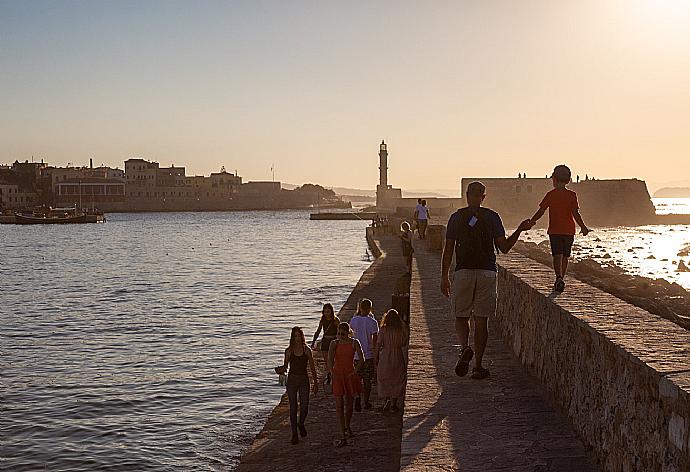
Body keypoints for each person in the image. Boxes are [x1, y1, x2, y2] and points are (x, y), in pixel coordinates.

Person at [441, 181, 534, 379]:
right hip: (487, 273)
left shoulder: (456, 218)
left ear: (467, 196)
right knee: (482, 320)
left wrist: (444, 277)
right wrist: (519, 229)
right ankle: (478, 366)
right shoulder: (492, 217)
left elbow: (448, 250)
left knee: (461, 316)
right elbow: (505, 247)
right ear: (483, 197)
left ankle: (465, 348)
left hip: (463, 272)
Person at [529, 164, 590, 292]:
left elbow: (541, 211)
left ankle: (559, 277)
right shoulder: (572, 195)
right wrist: (583, 227)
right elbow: (575, 213)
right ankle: (561, 276)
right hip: (569, 230)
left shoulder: (550, 195)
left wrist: (532, 221)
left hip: (555, 230)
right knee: (565, 256)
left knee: (557, 255)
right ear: (568, 180)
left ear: (554, 179)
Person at [327, 321, 364, 447]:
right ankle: (342, 432)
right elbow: (329, 360)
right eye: (338, 333)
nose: (340, 336)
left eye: (342, 334)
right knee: (339, 405)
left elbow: (361, 360)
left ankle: (347, 425)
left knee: (349, 404)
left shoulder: (354, 343)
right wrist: (332, 373)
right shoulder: (334, 343)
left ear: (348, 333)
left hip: (349, 375)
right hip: (338, 375)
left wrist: (354, 372)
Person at [282, 326, 318, 445]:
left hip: (304, 380)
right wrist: (280, 370)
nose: (297, 338)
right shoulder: (288, 351)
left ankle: (301, 423)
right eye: (295, 336)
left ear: (302, 337)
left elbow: (312, 367)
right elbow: (285, 367)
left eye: (298, 336)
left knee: (305, 407)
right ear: (292, 337)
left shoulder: (306, 350)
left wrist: (316, 383)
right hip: (292, 380)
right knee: (293, 408)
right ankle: (294, 434)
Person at [375, 309, 407, 413]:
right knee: (397, 379)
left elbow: (379, 343)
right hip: (397, 356)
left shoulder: (384, 330)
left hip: (385, 355)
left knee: (384, 378)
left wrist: (376, 357)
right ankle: (393, 403)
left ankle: (386, 400)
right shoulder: (400, 330)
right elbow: (403, 343)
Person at [349, 298, 379, 411]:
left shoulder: (353, 320)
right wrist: (376, 355)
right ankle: (366, 402)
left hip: (356, 355)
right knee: (367, 381)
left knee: (357, 378)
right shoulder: (373, 322)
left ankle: (357, 397)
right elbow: (375, 340)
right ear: (370, 308)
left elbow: (350, 337)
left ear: (360, 307)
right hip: (368, 355)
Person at [310, 303, 340, 368]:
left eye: (328, 312)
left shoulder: (335, 320)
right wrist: (313, 341)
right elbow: (318, 331)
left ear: (331, 311)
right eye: (325, 312)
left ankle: (333, 373)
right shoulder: (323, 320)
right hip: (325, 341)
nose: (327, 314)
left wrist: (339, 341)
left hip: (333, 340)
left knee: (333, 359)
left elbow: (339, 332)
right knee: (326, 360)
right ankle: (329, 373)